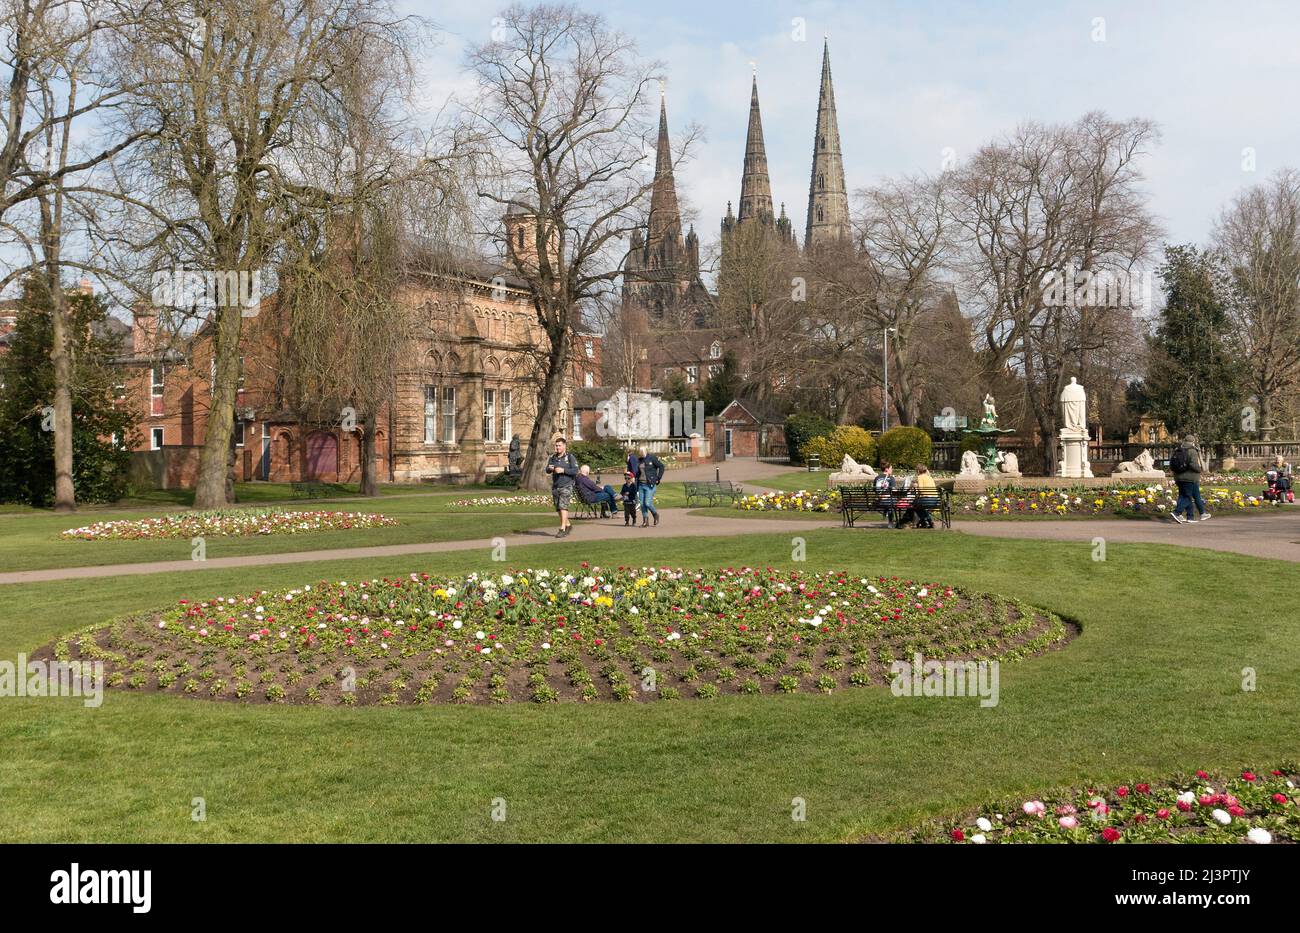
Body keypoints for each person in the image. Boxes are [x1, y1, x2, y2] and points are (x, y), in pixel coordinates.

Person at [1170, 434, 1209, 523]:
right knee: (1187, 497)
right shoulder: (1192, 451)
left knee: (1183, 496)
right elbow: (1193, 464)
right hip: (1189, 478)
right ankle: (1177, 512)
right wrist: (1200, 469)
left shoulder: (1178, 450)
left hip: (1178, 477)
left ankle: (1190, 517)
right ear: (1192, 442)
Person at [545, 436, 579, 537]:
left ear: (564, 446)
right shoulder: (553, 458)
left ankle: (562, 528)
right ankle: (568, 525)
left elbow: (575, 471)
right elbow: (547, 469)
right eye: (556, 446)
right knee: (558, 508)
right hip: (556, 486)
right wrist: (549, 468)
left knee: (563, 507)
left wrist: (563, 470)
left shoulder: (570, 457)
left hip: (566, 485)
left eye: (559, 446)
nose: (557, 447)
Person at [635, 444, 664, 527]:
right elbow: (638, 472)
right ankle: (645, 521)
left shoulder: (652, 458)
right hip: (641, 484)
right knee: (642, 504)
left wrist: (658, 478)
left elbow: (661, 466)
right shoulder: (639, 460)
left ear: (644, 451)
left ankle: (655, 514)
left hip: (649, 484)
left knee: (647, 503)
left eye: (641, 451)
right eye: (639, 451)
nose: (640, 453)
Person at [873, 462, 897, 527]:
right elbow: (894, 491)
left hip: (879, 502)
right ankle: (890, 523)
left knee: (889, 503)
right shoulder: (891, 478)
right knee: (893, 501)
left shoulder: (877, 478)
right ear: (886, 469)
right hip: (889, 501)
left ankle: (886, 512)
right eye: (891, 468)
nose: (892, 470)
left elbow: (875, 490)